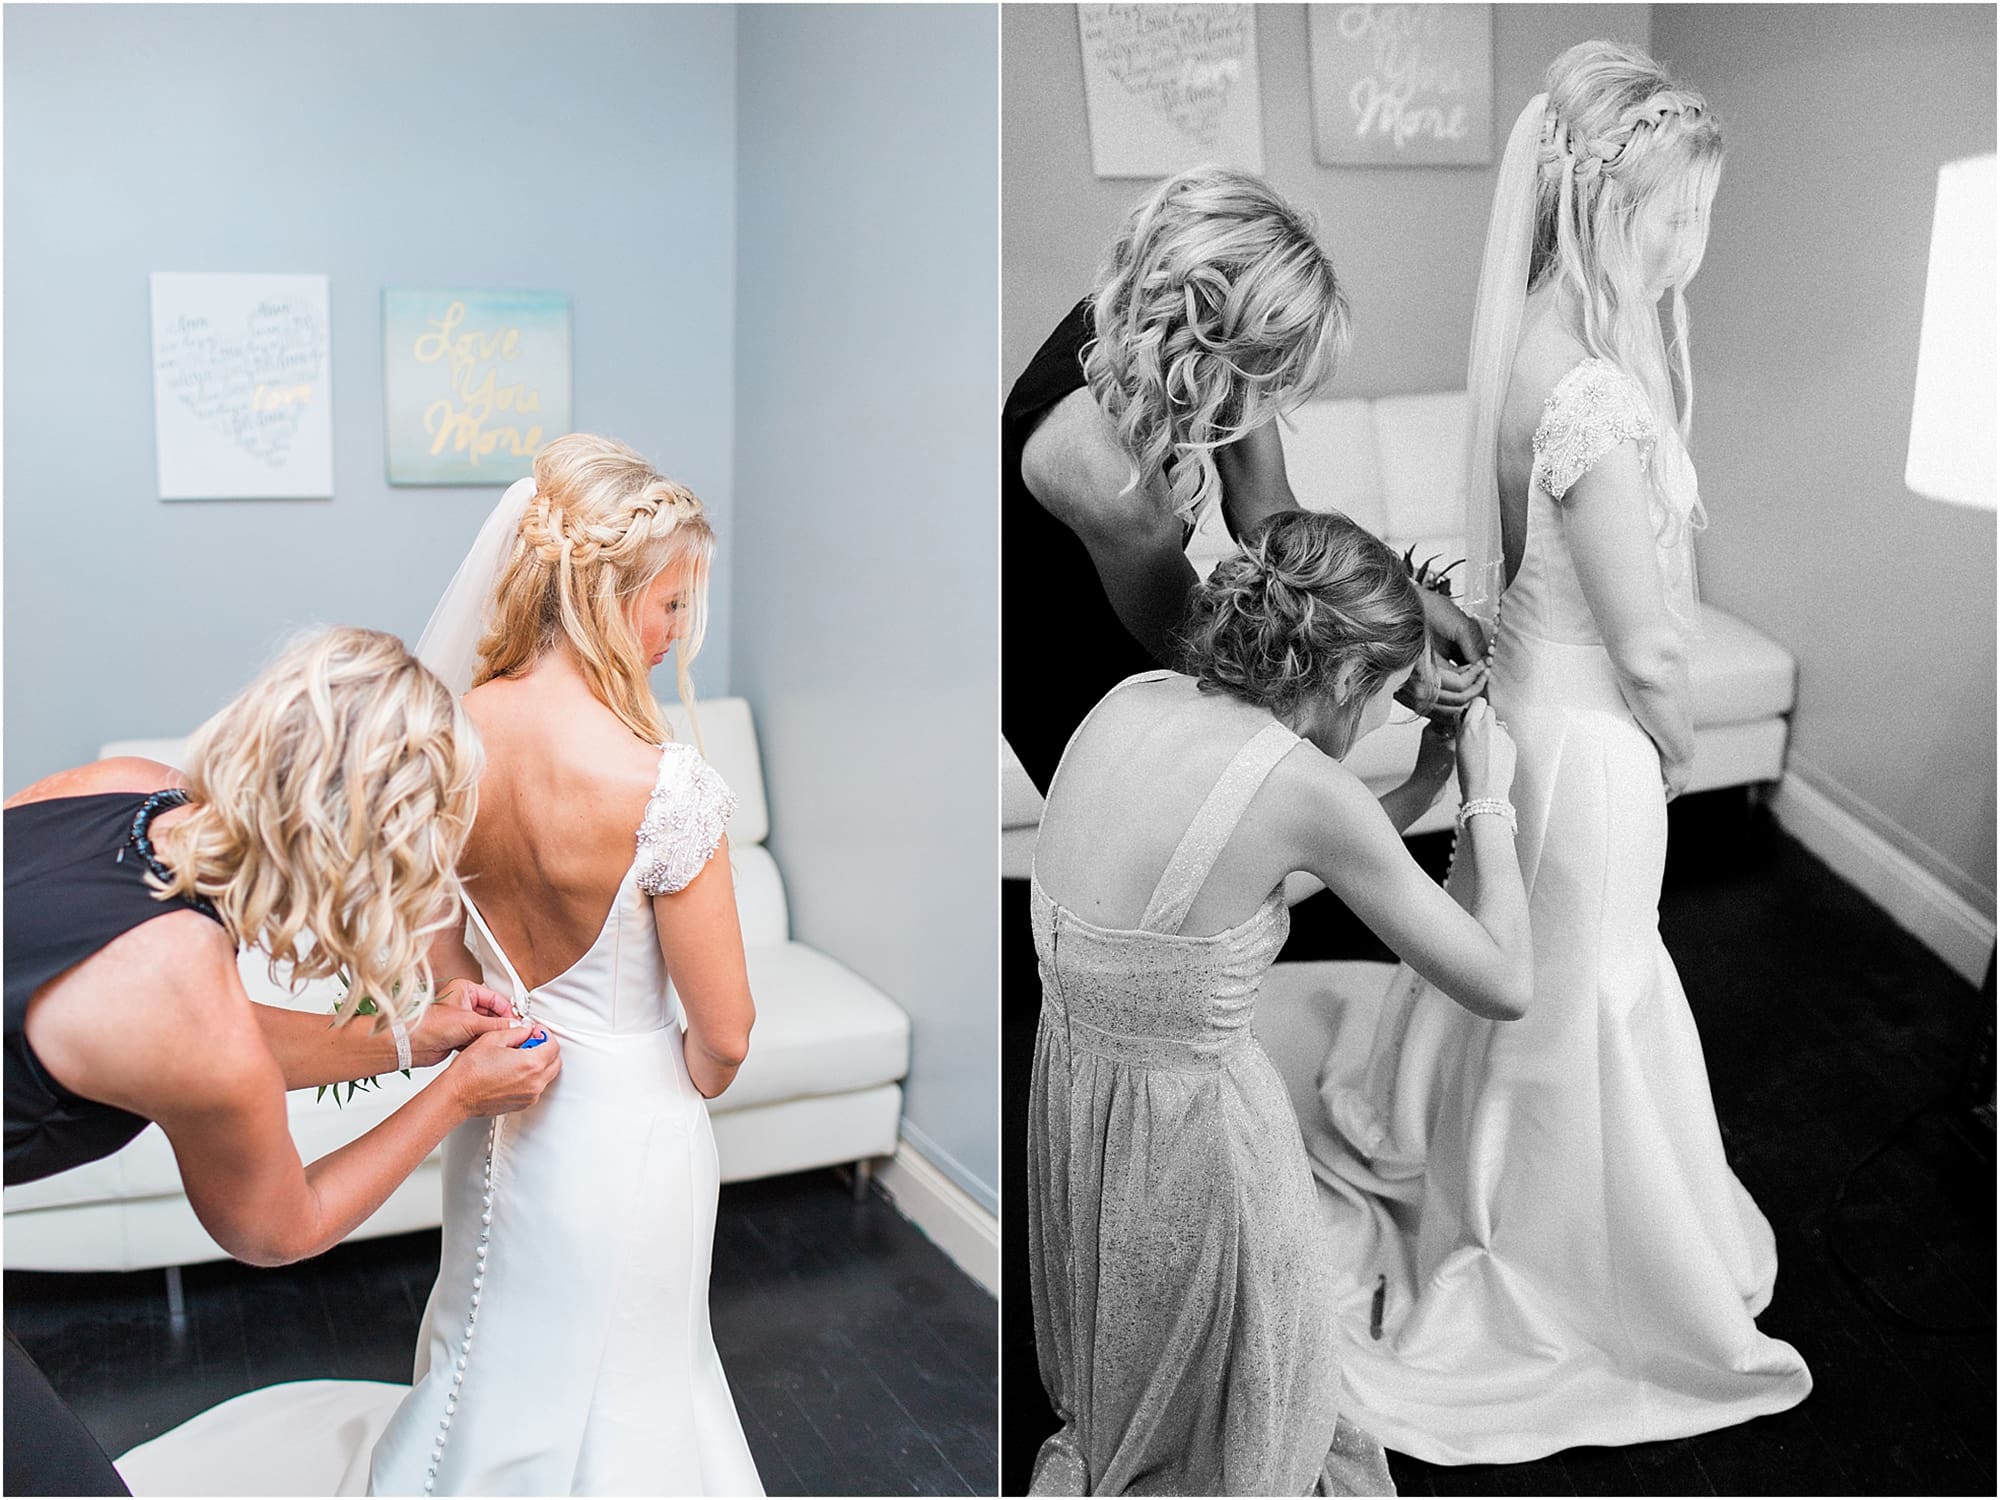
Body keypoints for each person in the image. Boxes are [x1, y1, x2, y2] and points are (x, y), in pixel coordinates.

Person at [1309, 41, 1812, 1465]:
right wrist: (1676, 745)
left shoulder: (1533, 331)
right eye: (1677, 211)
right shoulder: (1590, 388)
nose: (1693, 240)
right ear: (1606, 203)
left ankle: (1488, 1198)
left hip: (1524, 718)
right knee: (1583, 992)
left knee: (1521, 974)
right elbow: (1648, 649)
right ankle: (1560, 1262)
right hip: (1587, 743)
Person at [116, 436, 764, 1497]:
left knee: (489, 1348)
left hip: (501, 1101)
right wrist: (673, 1072)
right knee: (639, 1381)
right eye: (669, 604)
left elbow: (446, 969)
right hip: (629, 1128)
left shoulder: (450, 732)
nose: (672, 634)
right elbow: (725, 1036)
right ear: (607, 597)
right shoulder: (667, 787)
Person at [1027, 510, 1532, 1496]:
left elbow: (1235, 881)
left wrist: (1420, 781)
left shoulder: (1132, 698)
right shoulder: (1303, 789)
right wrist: (1485, 795)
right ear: (1344, 679)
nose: (1382, 719)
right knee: (1250, 1402)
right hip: (1196, 1139)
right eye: (1386, 696)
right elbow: (1503, 983)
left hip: (1081, 1103)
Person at [4, 626, 561, 1498]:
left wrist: (415, 1033)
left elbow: (193, 1032)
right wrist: (458, 1094)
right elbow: (278, 1229)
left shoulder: (128, 791)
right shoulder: (182, 1003)